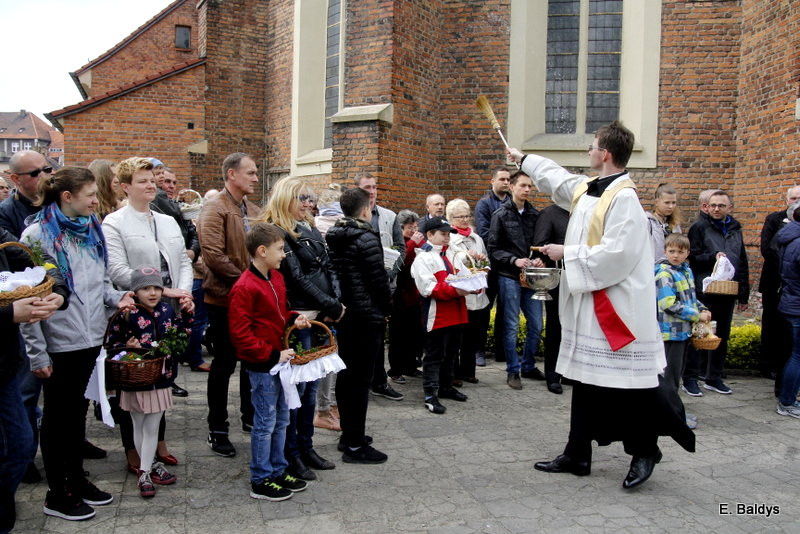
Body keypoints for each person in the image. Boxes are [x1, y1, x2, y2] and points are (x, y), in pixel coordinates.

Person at [508, 120, 694, 489]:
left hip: (617, 311)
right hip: (592, 305)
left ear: (605, 153)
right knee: (587, 381)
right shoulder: (592, 188)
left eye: (593, 146)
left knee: (630, 387)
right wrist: (524, 159)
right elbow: (558, 179)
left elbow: (618, 255)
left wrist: (567, 253)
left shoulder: (623, 198)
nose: (589, 151)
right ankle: (577, 453)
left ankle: (646, 450)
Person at [20, 166, 134, 519]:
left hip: (89, 338)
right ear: (67, 197)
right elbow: (29, 302)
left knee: (76, 415)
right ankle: (58, 493)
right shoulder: (37, 237)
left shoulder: (90, 229)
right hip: (57, 343)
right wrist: (37, 354)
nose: (96, 201)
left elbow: (98, 284)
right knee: (57, 418)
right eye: (90, 196)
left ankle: (76, 478)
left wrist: (118, 298)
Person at [102, 156, 193, 472]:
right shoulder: (114, 222)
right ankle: (133, 447)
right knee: (134, 380)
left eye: (152, 179)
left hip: (168, 310)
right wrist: (158, 289)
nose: (151, 184)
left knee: (163, 375)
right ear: (126, 187)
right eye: (142, 181)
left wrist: (183, 293)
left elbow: (182, 261)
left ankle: (160, 441)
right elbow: (116, 269)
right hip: (136, 310)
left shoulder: (166, 220)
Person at [257, 177, 339, 480]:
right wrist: (332, 305)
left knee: (311, 388)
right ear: (286, 198)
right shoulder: (278, 231)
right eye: (302, 197)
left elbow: (328, 266)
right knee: (298, 392)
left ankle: (306, 446)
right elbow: (296, 277)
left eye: (310, 198)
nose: (309, 203)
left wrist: (335, 303)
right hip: (299, 317)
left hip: (320, 315)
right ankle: (292, 453)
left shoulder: (308, 226)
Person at [228, 223, 310, 500]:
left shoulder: (275, 278)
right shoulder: (244, 287)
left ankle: (277, 469)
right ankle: (260, 478)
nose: (284, 254)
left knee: (282, 418)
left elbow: (278, 313)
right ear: (262, 251)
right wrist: (273, 354)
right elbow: (241, 335)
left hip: (280, 360)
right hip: (263, 365)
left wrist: (292, 318)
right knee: (265, 422)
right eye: (280, 249)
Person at [0, 228, 67, 533]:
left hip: (4, 367)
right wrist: (8, 312)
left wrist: (59, 292)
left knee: (20, 446)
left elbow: (37, 258)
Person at [198, 152, 260, 457]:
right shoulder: (215, 207)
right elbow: (213, 256)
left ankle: (249, 417)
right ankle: (217, 428)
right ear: (231, 175)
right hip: (223, 299)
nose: (256, 178)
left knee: (252, 361)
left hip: (249, 299)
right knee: (223, 364)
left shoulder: (251, 209)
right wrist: (249, 284)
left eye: (256, 173)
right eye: (250, 173)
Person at [106, 267, 189, 498]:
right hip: (135, 380)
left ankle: (146, 470)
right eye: (145, 288)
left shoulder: (166, 310)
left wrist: (187, 314)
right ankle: (148, 468)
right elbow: (112, 345)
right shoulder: (127, 313)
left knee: (152, 427)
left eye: (156, 288)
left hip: (160, 378)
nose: (152, 293)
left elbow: (181, 337)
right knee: (137, 424)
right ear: (135, 291)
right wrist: (127, 348)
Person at [325, 187, 392, 462]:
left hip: (346, 312)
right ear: (365, 210)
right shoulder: (366, 237)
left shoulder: (334, 234)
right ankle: (354, 444)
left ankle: (349, 434)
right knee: (361, 379)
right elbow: (378, 280)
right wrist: (387, 309)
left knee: (347, 374)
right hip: (366, 315)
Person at [683, 190, 749, 396]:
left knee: (722, 336)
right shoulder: (699, 227)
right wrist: (713, 256)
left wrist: (743, 292)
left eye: (721, 205)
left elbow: (742, 260)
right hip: (705, 289)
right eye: (713, 205)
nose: (717, 209)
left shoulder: (736, 229)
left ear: (730, 208)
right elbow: (692, 257)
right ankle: (691, 379)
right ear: (706, 207)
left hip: (727, 290)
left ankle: (714, 377)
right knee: (699, 334)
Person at [487, 171, 545, 390]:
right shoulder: (500, 215)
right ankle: (513, 370)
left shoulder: (535, 215)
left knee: (537, 325)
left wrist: (540, 258)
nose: (527, 190)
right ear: (511, 187)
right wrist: (514, 260)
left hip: (531, 277)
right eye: (523, 185)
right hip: (509, 276)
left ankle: (528, 365)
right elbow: (493, 250)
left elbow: (541, 245)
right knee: (511, 325)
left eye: (530, 186)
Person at [411, 216, 475, 414]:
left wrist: (477, 283)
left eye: (449, 234)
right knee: (434, 356)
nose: (447, 238)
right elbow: (428, 289)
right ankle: (430, 394)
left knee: (450, 354)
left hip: (457, 313)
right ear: (430, 235)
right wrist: (458, 289)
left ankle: (446, 387)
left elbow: (467, 276)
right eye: (443, 234)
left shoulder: (451, 255)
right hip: (437, 315)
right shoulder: (423, 258)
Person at [355, 175, 404, 401]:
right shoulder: (349, 216)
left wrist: (390, 274)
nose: (372, 191)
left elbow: (400, 248)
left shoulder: (389, 216)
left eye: (375, 187)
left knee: (378, 336)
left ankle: (379, 381)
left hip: (384, 284)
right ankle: (361, 381)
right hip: (359, 288)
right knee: (361, 338)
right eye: (367, 188)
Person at [655, 233, 710, 429]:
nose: (676, 255)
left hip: (683, 331)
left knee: (675, 376)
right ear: (665, 251)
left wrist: (702, 309)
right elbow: (668, 303)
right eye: (671, 251)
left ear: (688, 253)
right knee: (669, 378)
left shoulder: (686, 271)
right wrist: (696, 315)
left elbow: (690, 298)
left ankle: (672, 413)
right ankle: (671, 418)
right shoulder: (664, 274)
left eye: (680, 252)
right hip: (670, 332)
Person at [759, 186, 800, 390]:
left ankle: (782, 371)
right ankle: (768, 365)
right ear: (786, 199)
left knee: (787, 333)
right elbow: (767, 249)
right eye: (792, 197)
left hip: (790, 285)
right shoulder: (774, 219)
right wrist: (786, 267)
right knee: (771, 323)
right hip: (776, 281)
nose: (795, 201)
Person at [446, 199, 490, 385]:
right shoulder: (449, 238)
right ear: (451, 218)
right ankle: (454, 373)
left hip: (478, 292)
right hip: (461, 292)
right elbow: (451, 263)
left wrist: (482, 264)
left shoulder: (476, 238)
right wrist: (468, 259)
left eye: (467, 215)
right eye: (459, 216)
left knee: (473, 334)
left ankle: (468, 370)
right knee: (457, 335)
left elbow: (486, 260)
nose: (465, 219)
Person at [312, 184, 344, 431]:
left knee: (328, 355)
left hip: (328, 299)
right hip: (326, 301)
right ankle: (324, 408)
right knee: (327, 355)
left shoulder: (315, 227)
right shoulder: (329, 229)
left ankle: (328, 405)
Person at [474, 166, 511, 365]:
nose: (506, 182)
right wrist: (508, 244)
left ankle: (501, 351)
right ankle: (478, 350)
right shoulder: (484, 204)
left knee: (506, 310)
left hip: (508, 266)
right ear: (493, 181)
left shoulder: (513, 203)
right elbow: (485, 233)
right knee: (483, 309)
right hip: (490, 266)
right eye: (502, 179)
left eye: (508, 180)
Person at [532, 202, 569, 394]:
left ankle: (569, 371)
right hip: (558, 279)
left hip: (580, 279)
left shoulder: (583, 212)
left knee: (574, 326)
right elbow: (540, 245)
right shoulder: (550, 213)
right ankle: (553, 373)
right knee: (556, 325)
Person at [386, 210, 425, 383]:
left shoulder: (419, 242)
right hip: (400, 295)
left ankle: (411, 365)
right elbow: (399, 262)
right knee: (398, 334)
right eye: (410, 227)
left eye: (416, 227)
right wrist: (412, 244)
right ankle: (395, 370)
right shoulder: (398, 243)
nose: (414, 230)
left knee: (414, 333)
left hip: (415, 295)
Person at [775, 200, 800, 418]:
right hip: (797, 303)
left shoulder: (789, 236)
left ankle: (787, 397)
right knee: (798, 356)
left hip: (791, 300)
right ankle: (787, 401)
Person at [0, 150, 53, 238]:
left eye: (47, 170)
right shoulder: (5, 214)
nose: (44, 176)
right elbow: (14, 249)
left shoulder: (62, 201)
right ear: (16, 179)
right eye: (35, 173)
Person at [646, 184, 683, 262]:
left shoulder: (675, 224)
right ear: (656, 202)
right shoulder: (648, 222)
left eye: (673, 203)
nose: (671, 206)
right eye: (667, 203)